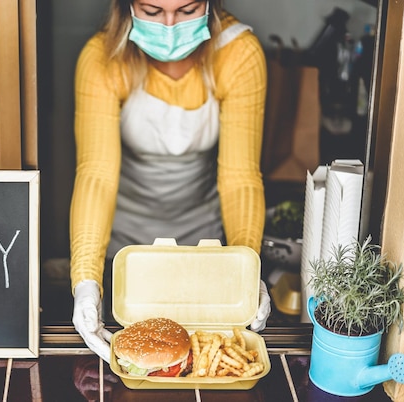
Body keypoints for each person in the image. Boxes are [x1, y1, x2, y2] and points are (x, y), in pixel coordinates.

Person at [70, 0, 271, 363]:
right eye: (151, 12)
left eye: (186, 10)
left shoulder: (239, 53)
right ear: (127, 7)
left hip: (206, 244)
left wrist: (247, 266)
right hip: (126, 247)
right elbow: (95, 175)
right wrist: (86, 282)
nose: (168, 25)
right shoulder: (101, 58)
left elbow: (240, 177)